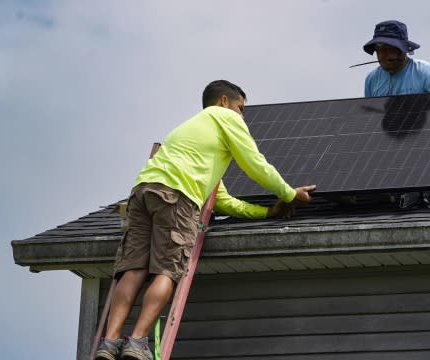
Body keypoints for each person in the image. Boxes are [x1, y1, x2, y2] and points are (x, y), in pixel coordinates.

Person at [95, 80, 316, 360]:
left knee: (134, 269)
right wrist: (288, 193)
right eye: (241, 108)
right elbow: (254, 163)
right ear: (224, 101)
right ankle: (137, 342)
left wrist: (265, 213)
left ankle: (109, 342)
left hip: (143, 191)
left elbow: (221, 200)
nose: (242, 116)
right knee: (167, 270)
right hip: (177, 197)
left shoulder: (190, 136)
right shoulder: (224, 117)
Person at [363, 20, 430, 97]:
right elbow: (370, 114)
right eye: (379, 47)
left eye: (390, 47)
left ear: (403, 49)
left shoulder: (427, 73)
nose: (384, 54)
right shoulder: (371, 79)